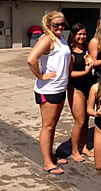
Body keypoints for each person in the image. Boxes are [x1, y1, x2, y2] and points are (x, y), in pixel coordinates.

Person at [27, 11, 71, 175]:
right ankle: (47, 163)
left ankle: (51, 156)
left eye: (62, 24)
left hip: (59, 88)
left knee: (52, 126)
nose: (60, 27)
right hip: (49, 90)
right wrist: (40, 75)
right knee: (48, 126)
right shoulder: (47, 38)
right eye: (56, 25)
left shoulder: (60, 38)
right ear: (48, 25)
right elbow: (31, 59)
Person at [67, 23, 95, 162]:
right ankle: (74, 151)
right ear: (73, 35)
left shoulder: (87, 48)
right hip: (76, 89)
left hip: (88, 87)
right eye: (79, 34)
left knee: (87, 121)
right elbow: (69, 74)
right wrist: (85, 71)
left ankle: (84, 147)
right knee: (80, 121)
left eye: (84, 34)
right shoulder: (70, 53)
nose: (82, 37)